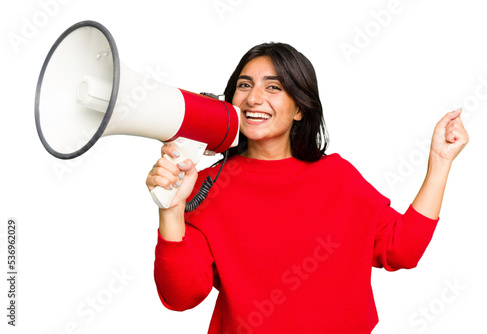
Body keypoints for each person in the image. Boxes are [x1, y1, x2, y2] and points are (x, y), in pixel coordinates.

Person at [146, 42, 468, 333]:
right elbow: (182, 296)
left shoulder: (338, 177)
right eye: (245, 85)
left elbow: (402, 249)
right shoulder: (202, 187)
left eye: (274, 87)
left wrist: (440, 161)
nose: (254, 98)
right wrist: (172, 211)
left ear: (299, 108)